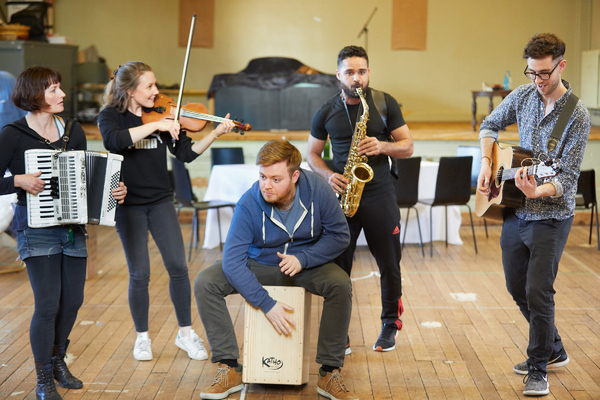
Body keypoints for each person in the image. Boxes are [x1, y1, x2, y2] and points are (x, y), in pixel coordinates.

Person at [194, 139, 357, 400]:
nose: (266, 185)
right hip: (262, 264)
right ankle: (229, 367)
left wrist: (303, 258)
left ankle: (329, 372)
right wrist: (266, 304)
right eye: (262, 176)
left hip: (306, 265)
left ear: (295, 176)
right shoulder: (249, 201)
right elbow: (232, 261)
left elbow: (339, 236)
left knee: (340, 284)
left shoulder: (318, 189)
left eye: (275, 179)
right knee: (206, 282)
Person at [0, 66, 127, 400]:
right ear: (34, 95)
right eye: (53, 89)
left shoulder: (73, 131)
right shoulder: (12, 134)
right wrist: (17, 180)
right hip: (35, 228)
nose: (61, 95)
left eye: (59, 87)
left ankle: (58, 360)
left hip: (72, 229)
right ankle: (43, 379)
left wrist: (113, 191)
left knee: (72, 302)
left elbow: (88, 182)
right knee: (47, 305)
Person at [97, 61, 235, 362]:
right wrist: (156, 126)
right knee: (140, 273)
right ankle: (142, 338)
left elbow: (185, 154)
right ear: (131, 91)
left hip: (160, 201)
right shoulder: (112, 117)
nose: (156, 91)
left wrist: (214, 134)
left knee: (178, 266)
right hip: (128, 205)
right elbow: (114, 142)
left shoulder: (166, 115)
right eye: (149, 86)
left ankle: (185, 334)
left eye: (155, 84)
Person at [477, 33, 590, 397]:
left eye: (544, 73)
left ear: (561, 65)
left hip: (552, 214)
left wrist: (538, 189)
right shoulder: (522, 95)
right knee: (516, 287)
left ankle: (538, 367)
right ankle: (553, 347)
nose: (538, 81)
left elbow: (567, 178)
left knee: (539, 291)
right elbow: (489, 125)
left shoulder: (577, 114)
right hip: (515, 207)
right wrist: (485, 162)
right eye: (532, 73)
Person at [307, 45, 414, 353]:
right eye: (350, 72)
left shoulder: (384, 102)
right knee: (339, 268)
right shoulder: (326, 110)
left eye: (362, 71)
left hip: (380, 194)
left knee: (390, 265)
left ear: (369, 72)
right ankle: (340, 332)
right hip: (343, 197)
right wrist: (328, 176)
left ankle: (390, 324)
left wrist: (382, 147)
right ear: (339, 74)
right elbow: (311, 154)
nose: (357, 78)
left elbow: (407, 146)